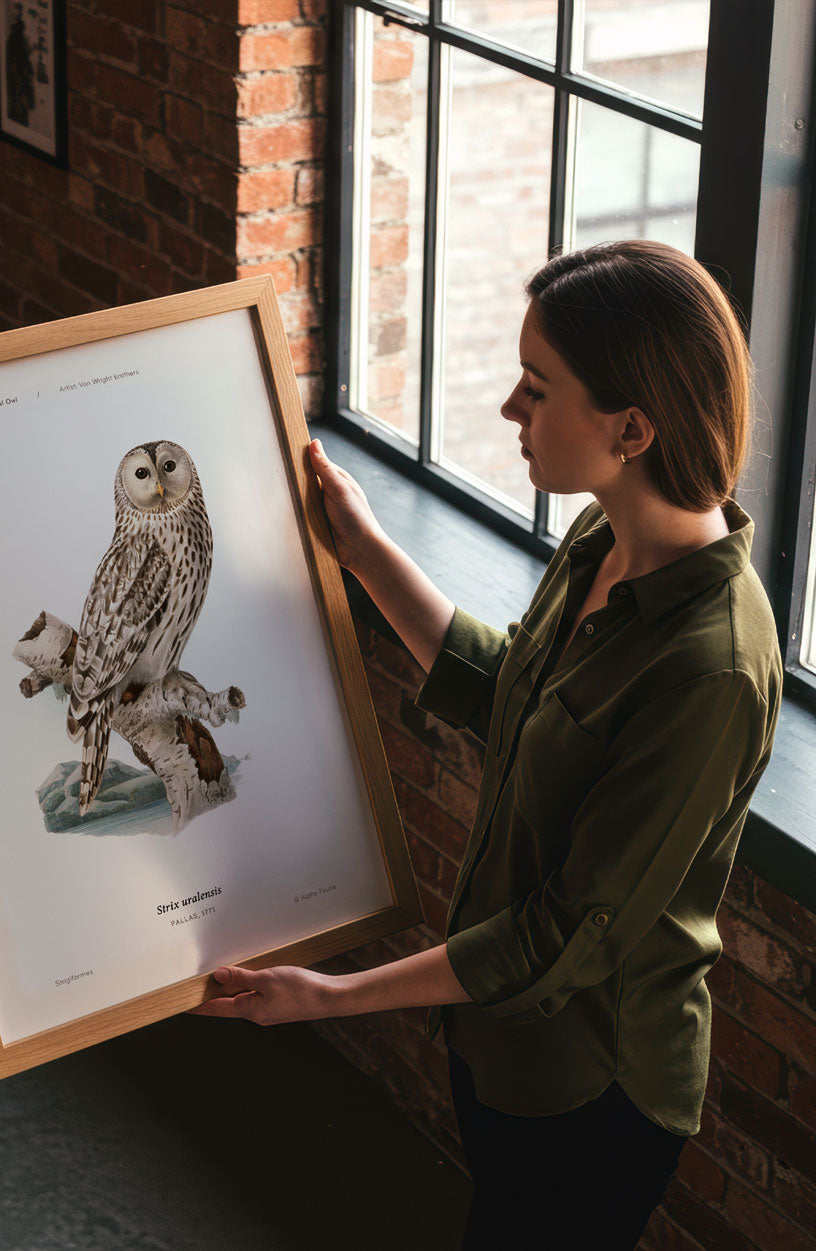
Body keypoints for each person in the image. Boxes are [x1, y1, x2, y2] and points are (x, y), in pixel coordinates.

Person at [191, 240, 783, 1249]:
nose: (510, 407)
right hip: (497, 1041)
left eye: (536, 388)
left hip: (589, 1088)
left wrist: (331, 997)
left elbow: (562, 933)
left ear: (632, 429)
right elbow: (510, 693)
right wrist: (363, 549)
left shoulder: (711, 669)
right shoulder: (602, 539)